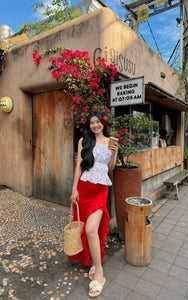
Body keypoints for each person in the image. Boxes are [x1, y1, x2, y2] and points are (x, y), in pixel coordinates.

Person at [69, 110, 118, 297]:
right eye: (92, 122)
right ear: (89, 125)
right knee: (88, 230)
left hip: (100, 190)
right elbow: (78, 166)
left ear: (103, 123)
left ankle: (99, 272)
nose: (95, 125)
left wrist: (113, 155)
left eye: (98, 122)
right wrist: (74, 189)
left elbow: (110, 168)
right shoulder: (84, 141)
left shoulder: (110, 142)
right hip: (83, 188)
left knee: (91, 229)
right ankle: (93, 261)